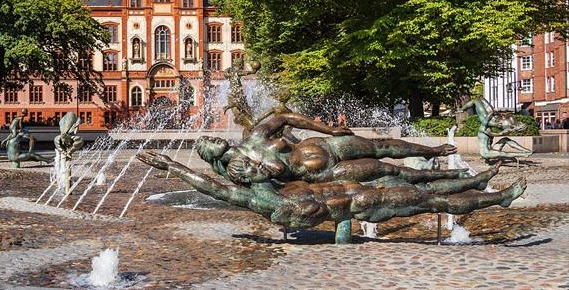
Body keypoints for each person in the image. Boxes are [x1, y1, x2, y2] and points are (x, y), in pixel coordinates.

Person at [138, 151, 526, 244]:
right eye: (253, 165)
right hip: (357, 206)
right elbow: (210, 186)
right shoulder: (262, 202)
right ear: (249, 174)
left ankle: (474, 184)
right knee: (428, 201)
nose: (261, 164)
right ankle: (498, 198)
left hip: (353, 196)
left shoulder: (279, 187)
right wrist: (171, 166)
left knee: (424, 190)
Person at [196, 112, 462, 186]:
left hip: (324, 145)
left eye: (208, 136)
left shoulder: (254, 137)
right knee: (385, 169)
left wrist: (328, 130)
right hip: (324, 173)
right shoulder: (237, 171)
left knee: (381, 146)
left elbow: (286, 117)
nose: (211, 139)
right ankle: (445, 177)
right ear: (210, 156)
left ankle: (433, 151)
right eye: (206, 144)